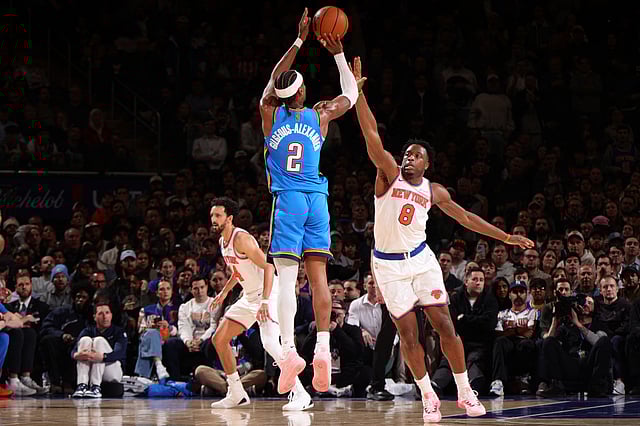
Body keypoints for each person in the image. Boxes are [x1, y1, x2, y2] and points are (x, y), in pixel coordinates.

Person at [351, 57, 534, 422]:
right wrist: (358, 96)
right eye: (407, 154)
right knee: (408, 336)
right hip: (388, 266)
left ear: (427, 164)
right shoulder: (388, 175)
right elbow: (372, 136)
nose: (408, 158)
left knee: (445, 326)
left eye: (416, 156)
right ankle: (427, 395)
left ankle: (465, 391)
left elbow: (466, 218)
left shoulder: (435, 191)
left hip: (421, 260)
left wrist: (505, 237)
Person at [258, 8, 358, 394]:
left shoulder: (270, 114)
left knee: (286, 278)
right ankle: (323, 348)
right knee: (319, 278)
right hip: (318, 199)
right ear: (301, 92)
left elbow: (273, 82)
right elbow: (350, 94)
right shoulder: (320, 115)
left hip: (288, 201)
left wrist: (299, 40)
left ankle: (288, 352)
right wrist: (338, 53)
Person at [208, 198, 312, 411]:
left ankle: (301, 394)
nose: (213, 219)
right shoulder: (222, 242)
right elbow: (238, 271)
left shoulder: (242, 239)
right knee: (219, 339)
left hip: (269, 293)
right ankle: (236, 393)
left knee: (270, 343)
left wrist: (264, 301)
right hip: (249, 297)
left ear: (229, 218)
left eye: (218, 215)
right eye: (212, 215)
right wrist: (225, 292)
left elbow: (268, 268)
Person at [71, 303, 127, 398]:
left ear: (111, 315)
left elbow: (119, 353)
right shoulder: (87, 331)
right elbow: (73, 350)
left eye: (107, 313)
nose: (105, 317)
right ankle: (82, 385)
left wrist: (103, 357)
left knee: (99, 341)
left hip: (112, 370)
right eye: (101, 313)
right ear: (95, 317)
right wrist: (76, 355)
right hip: (91, 368)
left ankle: (95, 387)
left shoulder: (119, 331)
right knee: (85, 340)